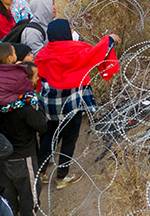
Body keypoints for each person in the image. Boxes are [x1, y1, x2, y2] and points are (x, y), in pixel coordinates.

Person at [35, 19, 120, 189]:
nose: (73, 31)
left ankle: (40, 173)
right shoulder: (77, 52)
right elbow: (96, 53)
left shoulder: (42, 55)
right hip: (71, 106)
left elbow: (37, 77)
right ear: (65, 33)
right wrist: (109, 38)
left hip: (50, 106)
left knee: (50, 137)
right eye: (70, 29)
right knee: (69, 140)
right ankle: (61, 177)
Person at [0, 43, 48, 216]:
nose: (36, 81)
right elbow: (42, 126)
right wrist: (37, 105)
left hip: (1, 152)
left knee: (9, 192)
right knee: (29, 193)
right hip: (23, 155)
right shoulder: (24, 105)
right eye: (34, 78)